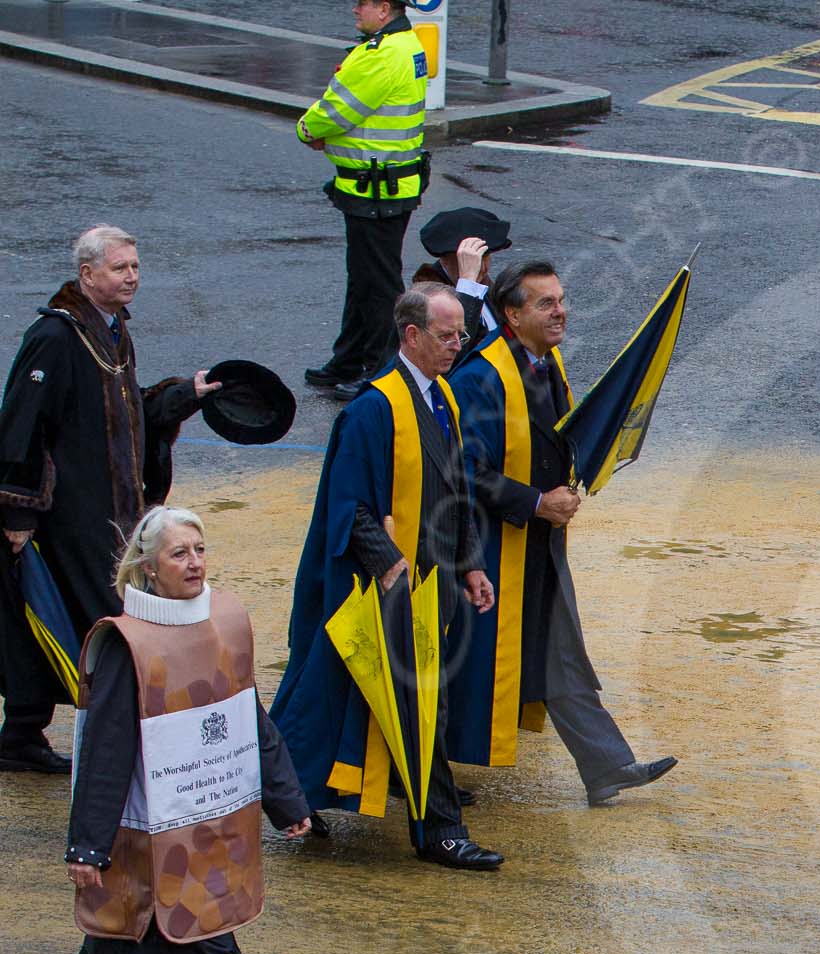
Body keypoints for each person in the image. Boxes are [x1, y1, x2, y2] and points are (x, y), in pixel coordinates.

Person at [42, 507, 318, 954]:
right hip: (149, 832)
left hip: (205, 822)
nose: (195, 563)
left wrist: (286, 800)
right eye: (179, 553)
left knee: (124, 929)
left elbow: (247, 717)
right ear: (147, 568)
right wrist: (88, 847)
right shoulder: (128, 645)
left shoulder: (222, 621)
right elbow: (106, 751)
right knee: (202, 939)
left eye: (200, 548)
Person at [272, 285, 505, 871]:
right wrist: (390, 565)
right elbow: (348, 506)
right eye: (446, 335)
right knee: (420, 704)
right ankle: (440, 831)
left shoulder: (441, 397)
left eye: (460, 334)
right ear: (412, 335)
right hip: (385, 588)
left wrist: (471, 562)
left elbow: (457, 492)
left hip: (433, 583)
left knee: (335, 698)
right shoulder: (372, 409)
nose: (457, 345)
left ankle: (284, 793)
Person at [445, 261, 676, 804]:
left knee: (559, 653)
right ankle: (420, 773)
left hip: (537, 543)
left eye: (562, 300)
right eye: (545, 303)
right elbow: (460, 468)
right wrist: (535, 502)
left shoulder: (545, 364)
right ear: (512, 314)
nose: (561, 312)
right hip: (487, 549)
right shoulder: (480, 377)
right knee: (463, 664)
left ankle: (606, 766)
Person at [0, 224, 216, 773]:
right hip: (65, 515)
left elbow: (127, 412)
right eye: (120, 268)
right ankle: (55, 734)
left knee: (82, 618)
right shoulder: (55, 337)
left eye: (135, 267)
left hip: (112, 511)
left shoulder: (113, 331)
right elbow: (22, 421)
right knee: (75, 618)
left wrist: (184, 395)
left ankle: (22, 735)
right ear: (87, 274)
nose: (132, 277)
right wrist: (18, 508)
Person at [298, 0, 430, 401]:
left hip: (375, 189)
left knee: (378, 285)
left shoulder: (380, 54)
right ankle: (349, 359)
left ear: (384, 8)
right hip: (385, 185)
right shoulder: (406, 44)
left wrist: (307, 130)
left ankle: (381, 369)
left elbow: (337, 110)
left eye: (362, 3)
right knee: (363, 279)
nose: (355, 9)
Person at [413, 207, 513, 369]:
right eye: (469, 259)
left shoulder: (486, 286)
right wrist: (467, 284)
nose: (481, 267)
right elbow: (454, 355)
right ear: (444, 260)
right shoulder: (427, 301)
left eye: (485, 256)